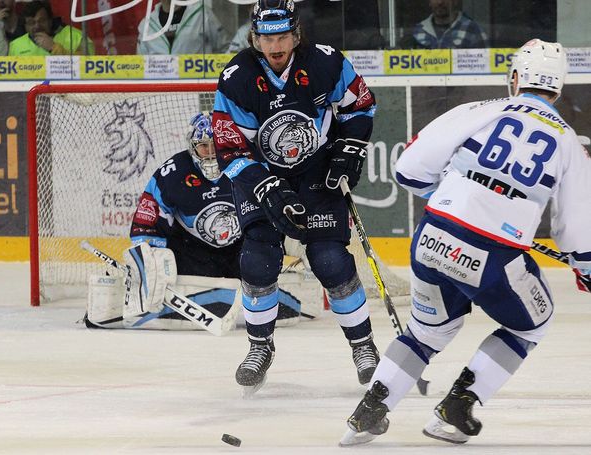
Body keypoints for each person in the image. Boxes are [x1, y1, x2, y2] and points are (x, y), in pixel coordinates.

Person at [341, 39, 591, 446]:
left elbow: (409, 169)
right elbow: (577, 228)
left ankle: (366, 414)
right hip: (491, 254)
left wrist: (453, 192)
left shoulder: (478, 110)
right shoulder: (566, 141)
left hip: (432, 236)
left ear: (515, 78)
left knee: (427, 331)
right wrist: (585, 266)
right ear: (559, 88)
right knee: (533, 322)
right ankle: (458, 407)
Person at [213, 0, 379, 394]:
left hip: (316, 175)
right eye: (267, 37)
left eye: (283, 35)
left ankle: (363, 346)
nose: (275, 45)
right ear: (255, 38)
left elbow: (361, 106)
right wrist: (268, 188)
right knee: (258, 258)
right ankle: (259, 347)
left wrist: (350, 148)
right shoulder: (236, 78)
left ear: (296, 34)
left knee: (330, 260)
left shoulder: (326, 63)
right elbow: (231, 149)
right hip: (262, 176)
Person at [84, 112, 320, 331]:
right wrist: (149, 256)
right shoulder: (173, 173)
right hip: (192, 255)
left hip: (240, 251)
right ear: (192, 147)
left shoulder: (249, 166)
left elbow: (275, 205)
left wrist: (294, 235)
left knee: (269, 250)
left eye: (215, 146)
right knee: (160, 261)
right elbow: (147, 222)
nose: (209, 154)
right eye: (203, 147)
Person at [136, 0, 229, 55]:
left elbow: (224, 49)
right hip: (160, 86)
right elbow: (141, 62)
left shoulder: (202, 14)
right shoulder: (146, 24)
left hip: (196, 84)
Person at [8, 1, 94, 56]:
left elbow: (90, 65)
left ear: (50, 20)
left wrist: (54, 48)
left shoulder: (77, 36)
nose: (37, 26)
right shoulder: (16, 46)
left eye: (42, 20)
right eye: (31, 23)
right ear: (25, 26)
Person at [399, 0, 487, 49]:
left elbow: (486, 67)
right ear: (429, 2)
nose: (440, 2)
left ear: (455, 1)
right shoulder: (417, 31)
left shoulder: (473, 30)